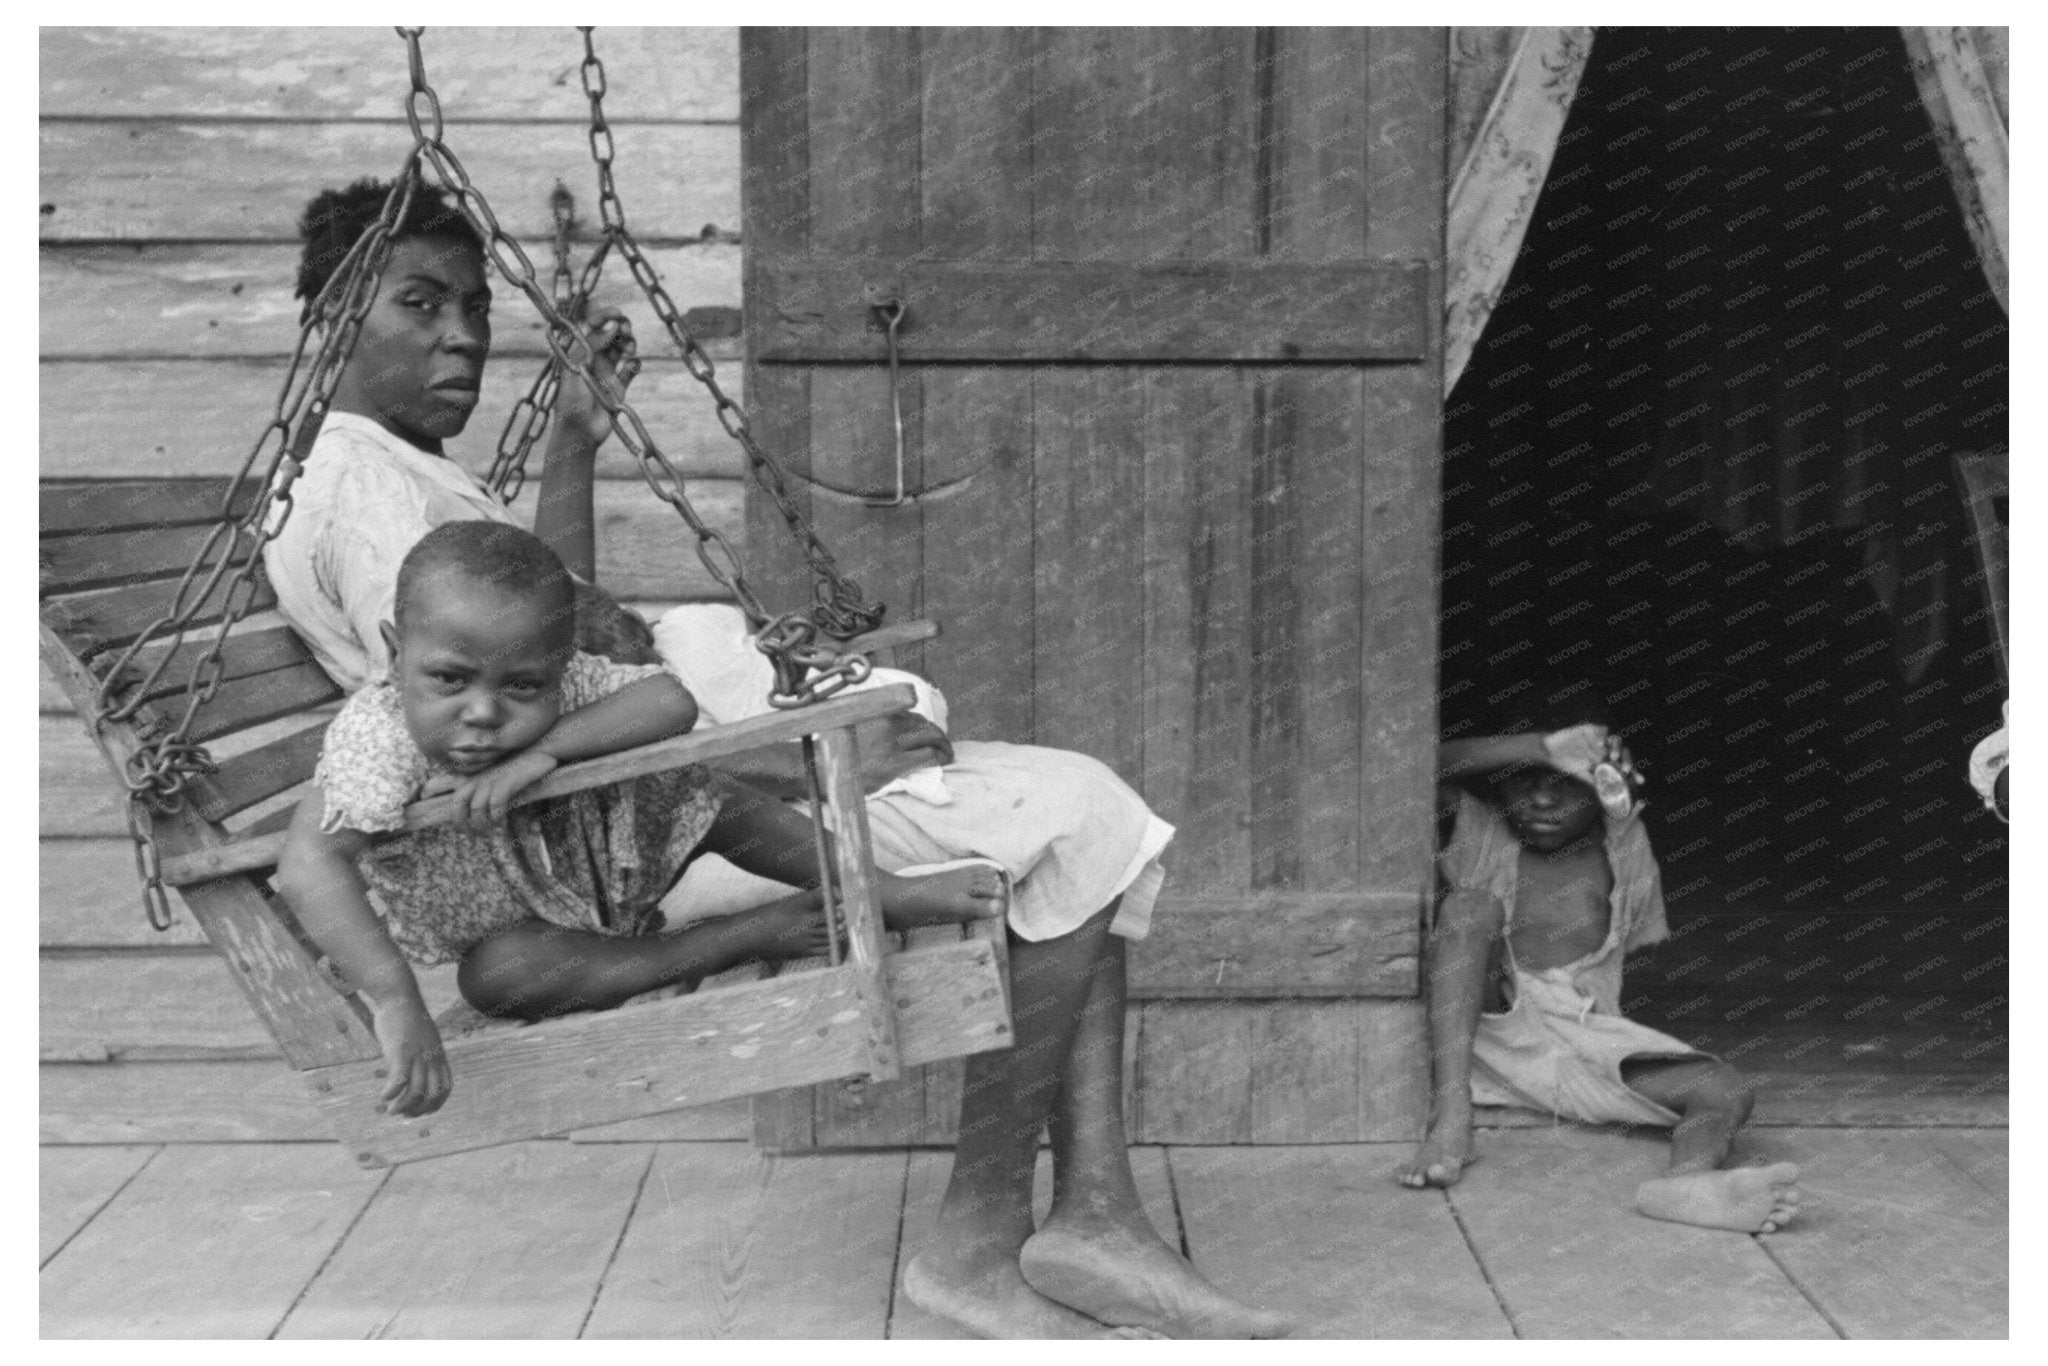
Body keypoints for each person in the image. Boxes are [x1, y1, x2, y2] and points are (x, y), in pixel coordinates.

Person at [264, 175, 1287, 1338]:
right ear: (336, 316)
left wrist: (571, 450)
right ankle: (990, 1237)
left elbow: (545, 637)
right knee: (1079, 814)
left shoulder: (398, 468)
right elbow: (488, 705)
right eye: (418, 304)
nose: (460, 334)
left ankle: (1092, 1212)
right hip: (595, 854)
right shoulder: (363, 492)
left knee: (1058, 811)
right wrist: (802, 764)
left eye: (469, 306)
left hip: (615, 813)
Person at [276, 522, 1004, 1116]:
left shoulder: (567, 682)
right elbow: (309, 862)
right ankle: (734, 938)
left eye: (523, 686)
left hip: (612, 866)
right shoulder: (379, 736)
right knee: (496, 976)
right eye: (449, 679)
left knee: (709, 796)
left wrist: (546, 751)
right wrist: (396, 1000)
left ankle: (880, 890)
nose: (484, 712)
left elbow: (669, 702)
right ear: (397, 653)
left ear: (561, 669)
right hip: (521, 929)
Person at [1395, 707, 1802, 1234]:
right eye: (1526, 780)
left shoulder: (1625, 841)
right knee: (1471, 908)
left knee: (1724, 1088)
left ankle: (1685, 1183)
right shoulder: (1478, 828)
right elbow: (1409, 770)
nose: (1543, 799)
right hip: (1483, 1027)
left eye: (1568, 784)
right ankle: (1451, 1114)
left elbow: (1621, 795)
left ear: (1606, 791)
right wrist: (1542, 746)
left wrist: (1598, 758)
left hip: (1581, 1039)